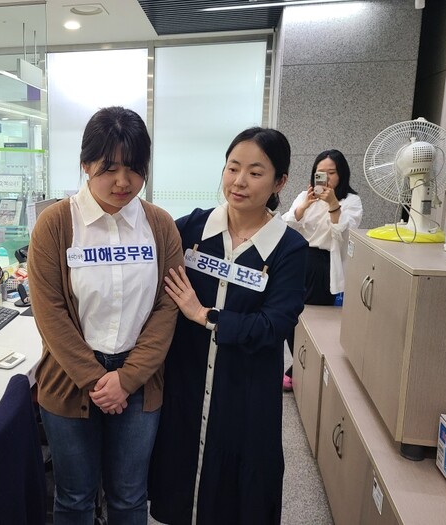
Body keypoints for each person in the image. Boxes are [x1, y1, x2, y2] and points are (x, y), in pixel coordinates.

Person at [28, 106, 183, 524]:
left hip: (140, 381)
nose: (122, 181)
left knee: (130, 497)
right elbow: (50, 312)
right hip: (69, 379)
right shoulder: (55, 225)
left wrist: (126, 379)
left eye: (134, 168)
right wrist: (97, 380)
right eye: (109, 168)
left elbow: (167, 306)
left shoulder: (160, 226)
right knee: (74, 497)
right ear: (85, 164)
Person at [147, 127, 307, 525]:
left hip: (245, 390)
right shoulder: (190, 229)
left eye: (255, 172)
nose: (239, 181)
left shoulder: (290, 249)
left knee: (238, 491)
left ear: (279, 182)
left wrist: (204, 315)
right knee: (179, 476)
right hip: (186, 379)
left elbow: (272, 326)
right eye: (233, 168)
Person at [281, 149, 363, 389]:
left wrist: (333, 205)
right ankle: (298, 366)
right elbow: (287, 224)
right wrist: (304, 205)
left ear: (341, 174)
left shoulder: (351, 201)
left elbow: (343, 235)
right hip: (298, 258)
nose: (326, 178)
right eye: (320, 173)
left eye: (331, 173)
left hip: (324, 264)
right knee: (288, 314)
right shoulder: (304, 196)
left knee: (312, 320)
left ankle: (300, 370)